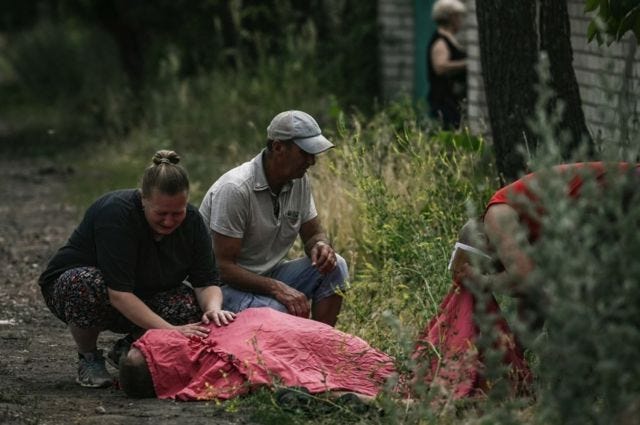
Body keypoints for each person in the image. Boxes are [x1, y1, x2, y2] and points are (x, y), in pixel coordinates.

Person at [38, 150, 236, 389]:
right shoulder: (116, 213)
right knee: (85, 283)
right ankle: (88, 358)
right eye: (161, 213)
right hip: (86, 293)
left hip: (143, 293)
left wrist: (212, 309)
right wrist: (172, 331)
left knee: (189, 304)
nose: (169, 221)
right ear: (143, 199)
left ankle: (128, 348)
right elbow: (119, 294)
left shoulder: (193, 221)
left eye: (177, 213)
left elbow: (205, 281)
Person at [199, 110, 348, 326]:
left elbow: (313, 234)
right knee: (278, 311)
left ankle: (321, 347)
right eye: (305, 153)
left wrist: (321, 246)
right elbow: (222, 267)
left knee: (336, 267)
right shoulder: (236, 188)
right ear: (278, 147)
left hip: (267, 275)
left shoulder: (299, 180)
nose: (312, 161)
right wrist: (277, 289)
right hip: (221, 289)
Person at [118, 307, 394, 405]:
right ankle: (380, 397)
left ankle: (381, 394)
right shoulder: (213, 363)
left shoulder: (208, 362)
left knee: (303, 372)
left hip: (270, 331)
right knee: (304, 372)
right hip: (270, 333)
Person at [427, 0, 467, 129]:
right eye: (459, 16)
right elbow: (439, 67)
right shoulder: (441, 41)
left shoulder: (450, 38)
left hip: (452, 99)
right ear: (452, 17)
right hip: (444, 100)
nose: (461, 20)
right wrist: (466, 64)